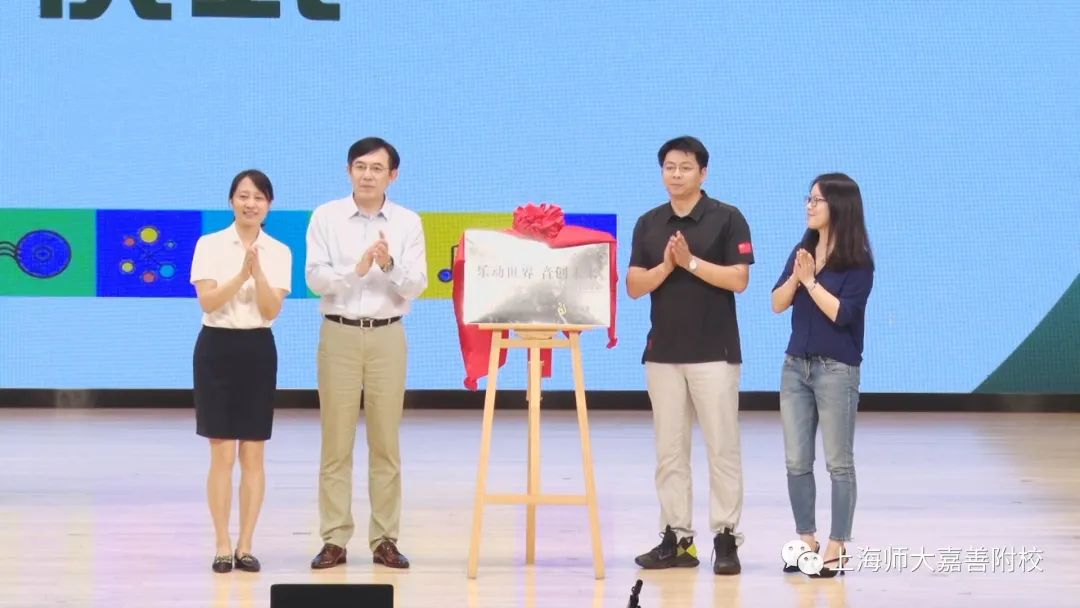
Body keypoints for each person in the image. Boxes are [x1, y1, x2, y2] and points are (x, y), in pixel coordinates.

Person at [627, 136, 754, 575]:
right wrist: (667, 266)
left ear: (703, 172)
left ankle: (726, 538)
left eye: (684, 167)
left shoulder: (727, 218)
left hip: (714, 352)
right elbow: (634, 285)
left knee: (722, 449)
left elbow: (739, 280)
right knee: (670, 452)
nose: (676, 174)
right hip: (663, 353)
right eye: (669, 167)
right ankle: (677, 539)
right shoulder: (649, 223)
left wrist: (691, 263)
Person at [305, 137, 427, 570]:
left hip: (387, 335)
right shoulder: (326, 216)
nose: (367, 175)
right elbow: (314, 278)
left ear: (393, 175)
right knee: (335, 443)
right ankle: (334, 539)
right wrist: (354, 271)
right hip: (338, 333)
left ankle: (385, 539)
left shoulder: (408, 222)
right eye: (360, 166)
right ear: (348, 171)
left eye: (377, 168)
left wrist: (388, 265)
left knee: (385, 443)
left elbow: (418, 284)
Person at [771, 173, 874, 578]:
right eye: (809, 198)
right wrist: (798, 277)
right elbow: (777, 301)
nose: (809, 206)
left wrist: (811, 282)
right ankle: (807, 538)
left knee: (838, 463)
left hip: (836, 369)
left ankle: (837, 544)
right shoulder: (803, 251)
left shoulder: (858, 261)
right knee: (797, 459)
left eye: (817, 200)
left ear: (840, 206)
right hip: (796, 365)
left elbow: (842, 314)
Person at [190, 169, 292, 573]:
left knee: (253, 452)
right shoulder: (209, 244)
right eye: (244, 196)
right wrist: (240, 275)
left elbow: (270, 308)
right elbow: (208, 302)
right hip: (216, 347)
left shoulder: (279, 251)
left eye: (259, 198)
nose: (251, 204)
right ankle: (221, 543)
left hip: (258, 349)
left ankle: (246, 544)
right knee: (221, 454)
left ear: (269, 205)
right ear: (231, 200)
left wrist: (259, 273)